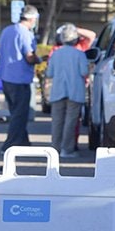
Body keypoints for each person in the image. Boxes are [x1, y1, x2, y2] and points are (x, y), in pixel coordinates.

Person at [0, 5, 44, 153]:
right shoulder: (25, 33)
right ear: (31, 18)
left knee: (15, 111)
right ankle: (10, 145)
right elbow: (29, 57)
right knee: (20, 114)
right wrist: (40, 60)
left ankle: (23, 141)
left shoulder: (7, 30)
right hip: (20, 79)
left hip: (6, 77)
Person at [46, 23, 89, 158]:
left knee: (57, 121)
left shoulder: (55, 54)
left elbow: (49, 73)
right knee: (71, 121)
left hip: (58, 90)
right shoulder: (80, 54)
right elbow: (84, 72)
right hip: (75, 91)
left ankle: (55, 149)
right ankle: (67, 149)